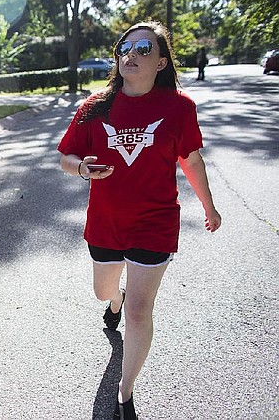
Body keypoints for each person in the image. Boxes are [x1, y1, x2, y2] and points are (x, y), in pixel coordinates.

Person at [57, 21, 221, 419]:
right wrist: (82, 170)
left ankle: (125, 390)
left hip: (155, 222)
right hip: (106, 222)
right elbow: (66, 158)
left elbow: (191, 159)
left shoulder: (179, 107)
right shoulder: (96, 106)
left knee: (139, 312)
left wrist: (209, 207)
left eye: (144, 48)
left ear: (161, 61)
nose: (130, 53)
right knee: (104, 293)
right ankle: (116, 299)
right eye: (124, 47)